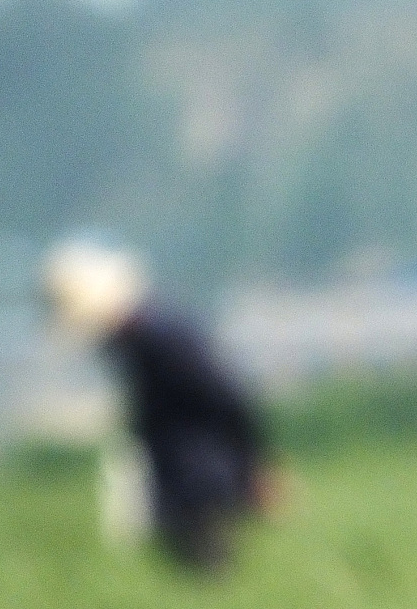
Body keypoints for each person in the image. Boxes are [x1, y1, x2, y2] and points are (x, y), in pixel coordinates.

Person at [44, 241, 271, 571]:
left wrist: (255, 467)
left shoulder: (159, 339)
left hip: (199, 480)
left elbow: (226, 396)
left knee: (207, 578)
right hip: (186, 478)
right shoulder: (143, 341)